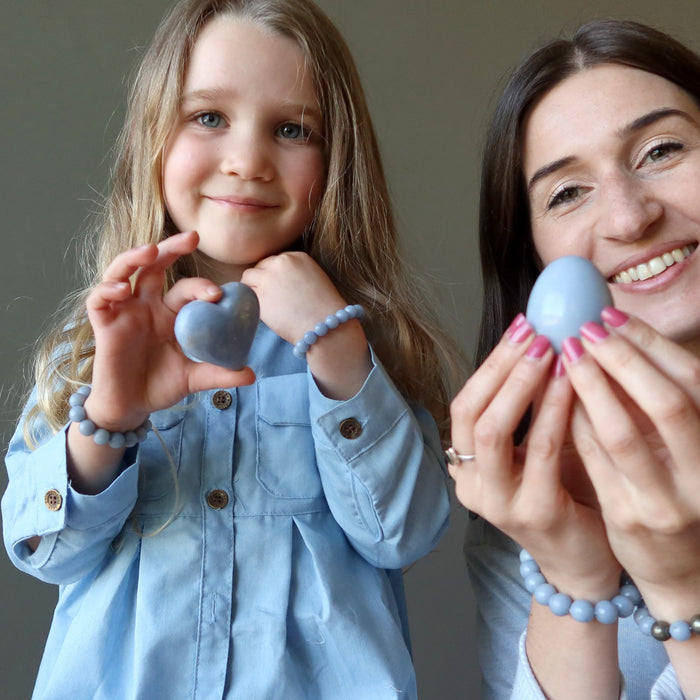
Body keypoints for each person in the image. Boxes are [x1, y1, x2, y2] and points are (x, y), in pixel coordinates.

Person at [1, 1, 460, 697]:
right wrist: (111, 416)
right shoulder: (93, 351)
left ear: (335, 163)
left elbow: (405, 535)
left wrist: (335, 350)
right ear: (154, 133)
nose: (247, 161)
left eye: (291, 129)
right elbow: (44, 549)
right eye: (209, 117)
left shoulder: (368, 351)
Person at [448, 18, 700, 700]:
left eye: (662, 150)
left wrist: (685, 589)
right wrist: (572, 575)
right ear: (534, 260)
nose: (628, 218)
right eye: (567, 192)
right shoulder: (535, 500)